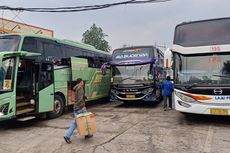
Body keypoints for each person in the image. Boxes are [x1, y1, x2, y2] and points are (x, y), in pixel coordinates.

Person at [64, 78, 92, 144]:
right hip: (80, 108)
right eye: (82, 81)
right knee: (86, 121)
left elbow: (77, 97)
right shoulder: (80, 88)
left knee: (76, 123)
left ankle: (86, 134)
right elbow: (79, 100)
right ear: (80, 82)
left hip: (76, 107)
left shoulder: (76, 88)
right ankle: (67, 136)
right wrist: (83, 106)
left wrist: (83, 97)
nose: (83, 82)